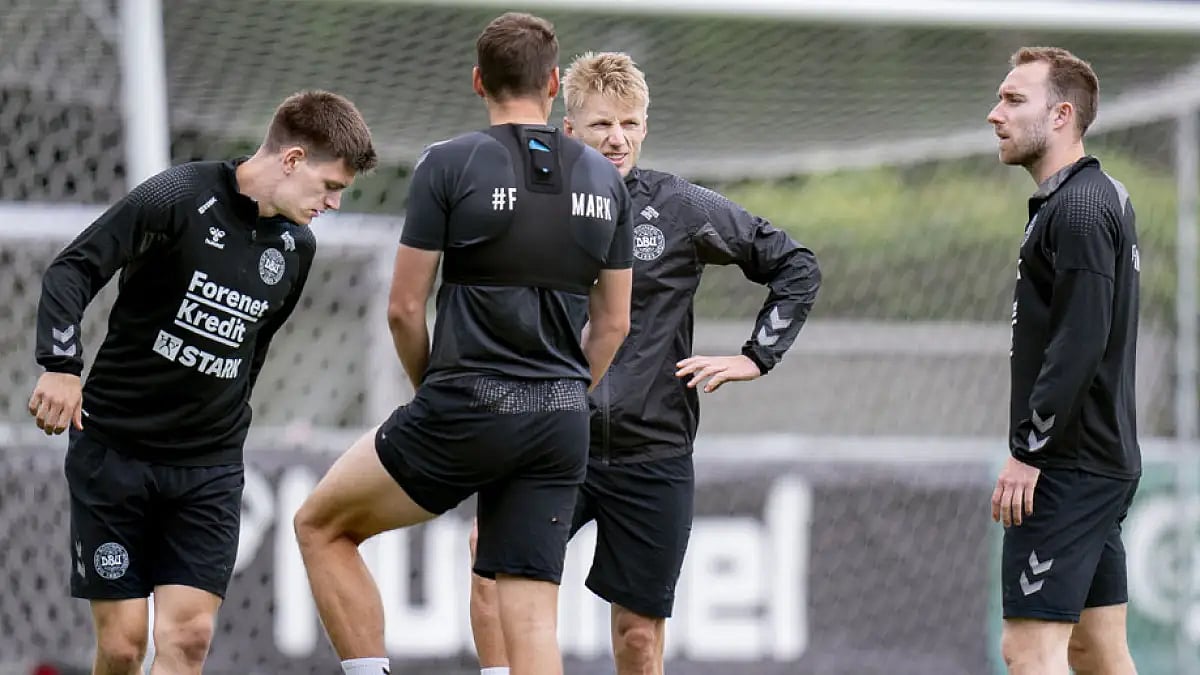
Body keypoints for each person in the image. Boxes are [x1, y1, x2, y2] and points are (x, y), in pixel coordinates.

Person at [292, 13, 634, 675]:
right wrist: (559, 395)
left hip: (465, 405)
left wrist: (438, 393)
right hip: (561, 421)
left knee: (320, 526)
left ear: (479, 81)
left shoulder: (448, 164)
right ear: (554, 85)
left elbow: (403, 308)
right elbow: (614, 323)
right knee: (531, 618)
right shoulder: (604, 179)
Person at [467, 51, 821, 675]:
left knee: (637, 637)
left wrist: (756, 357)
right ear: (568, 128)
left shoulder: (679, 205)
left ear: (646, 127)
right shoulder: (528, 202)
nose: (618, 138)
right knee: (489, 571)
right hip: (554, 440)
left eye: (630, 123)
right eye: (602, 124)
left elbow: (796, 266)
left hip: (653, 451)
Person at [29, 90, 377, 675]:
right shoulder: (179, 196)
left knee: (188, 638)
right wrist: (62, 365)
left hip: (207, 468)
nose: (334, 203)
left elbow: (251, 352)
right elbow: (74, 268)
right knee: (123, 645)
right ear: (292, 160)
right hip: (115, 451)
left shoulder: (296, 247)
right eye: (330, 186)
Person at [987, 46, 1141, 675]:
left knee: (1028, 651)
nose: (995, 114)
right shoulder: (1091, 198)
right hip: (1095, 459)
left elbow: (1080, 340)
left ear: (1061, 115)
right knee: (1094, 648)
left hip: (1067, 464)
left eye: (1013, 99)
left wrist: (1030, 451)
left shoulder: (1078, 207)